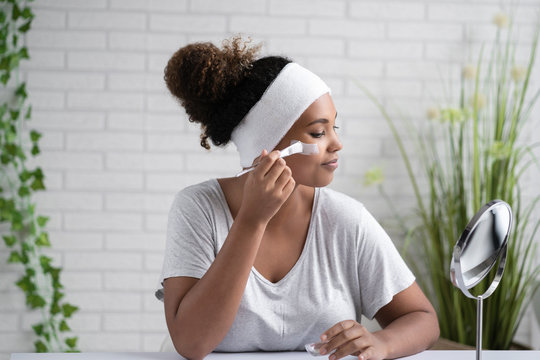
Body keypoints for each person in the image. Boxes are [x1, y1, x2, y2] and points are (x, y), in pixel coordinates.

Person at [157, 37, 440, 360]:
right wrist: (252, 220)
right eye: (319, 133)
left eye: (335, 127)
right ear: (267, 146)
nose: (337, 144)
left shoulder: (347, 219)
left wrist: (383, 343)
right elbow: (191, 343)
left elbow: (422, 319)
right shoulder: (198, 209)